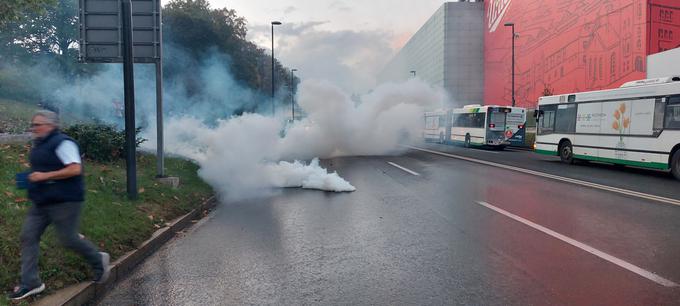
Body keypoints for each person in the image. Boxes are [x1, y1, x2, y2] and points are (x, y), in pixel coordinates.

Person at [8, 110, 110, 301]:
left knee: (68, 239)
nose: (33, 128)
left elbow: (74, 168)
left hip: (65, 200)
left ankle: (99, 260)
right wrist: (31, 178)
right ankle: (31, 283)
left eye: (37, 125)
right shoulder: (40, 144)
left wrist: (44, 176)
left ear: (51, 125)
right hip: (42, 201)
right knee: (28, 236)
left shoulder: (64, 143)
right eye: (33, 125)